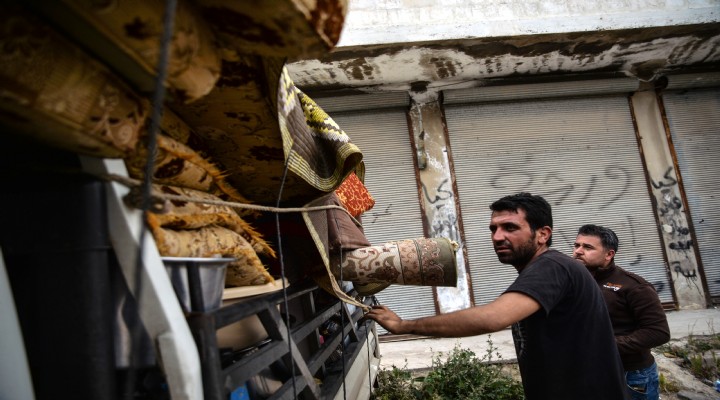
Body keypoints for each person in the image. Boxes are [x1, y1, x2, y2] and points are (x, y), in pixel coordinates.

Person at [366, 192, 629, 399]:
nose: (498, 236)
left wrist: (404, 325)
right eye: (493, 228)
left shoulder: (552, 267)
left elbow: (493, 318)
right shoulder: (545, 268)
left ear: (543, 234)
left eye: (510, 227)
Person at [573, 224, 670, 400]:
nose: (578, 251)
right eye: (577, 245)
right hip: (589, 371)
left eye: (587, 247)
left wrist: (603, 345)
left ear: (609, 254)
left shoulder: (634, 286)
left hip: (630, 375)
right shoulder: (575, 281)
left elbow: (658, 332)